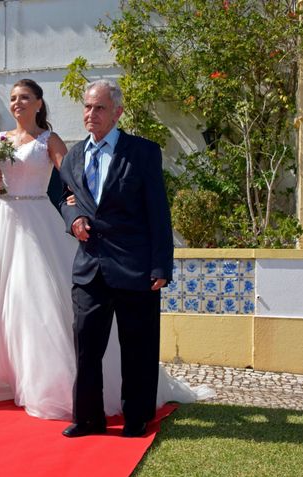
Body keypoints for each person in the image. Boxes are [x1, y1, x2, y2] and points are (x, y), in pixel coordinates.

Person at [0, 78, 212, 421]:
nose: (17, 103)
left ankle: (54, 387)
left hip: (36, 220)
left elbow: (75, 181)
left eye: (24, 97)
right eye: (13, 98)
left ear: (39, 103)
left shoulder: (51, 141)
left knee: (38, 303)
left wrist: (76, 210)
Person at [59, 79, 174, 438]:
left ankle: (136, 417)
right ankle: (87, 417)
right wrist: (72, 218)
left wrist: (161, 266)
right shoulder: (75, 154)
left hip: (136, 268)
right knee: (86, 348)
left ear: (117, 113)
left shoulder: (143, 152)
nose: (91, 114)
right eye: (88, 107)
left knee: (137, 350)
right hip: (89, 268)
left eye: (100, 108)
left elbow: (158, 212)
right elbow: (62, 195)